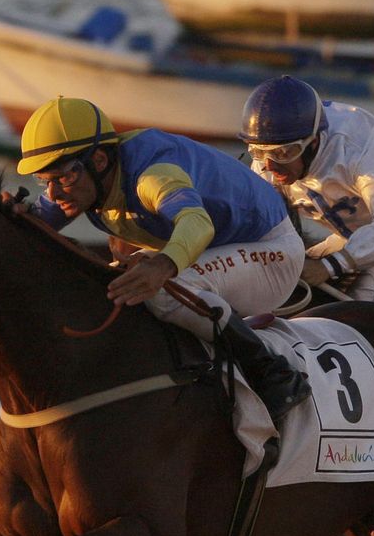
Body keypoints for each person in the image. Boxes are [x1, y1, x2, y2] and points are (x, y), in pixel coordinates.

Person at [16, 96, 311, 425]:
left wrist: (164, 265)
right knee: (112, 282)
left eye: (62, 179)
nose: (54, 195)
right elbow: (30, 225)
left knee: (162, 286)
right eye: (44, 181)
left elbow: (197, 223)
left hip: (272, 251)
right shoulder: (83, 177)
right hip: (223, 250)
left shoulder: (152, 175)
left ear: (99, 160)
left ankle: (272, 371)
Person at [241, 76, 374, 307]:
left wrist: (329, 266)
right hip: (354, 237)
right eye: (258, 152)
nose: (270, 166)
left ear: (313, 143)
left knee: (367, 296)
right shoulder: (266, 164)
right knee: (287, 291)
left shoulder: (357, 144)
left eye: (283, 154)